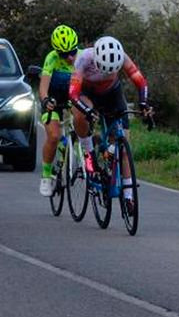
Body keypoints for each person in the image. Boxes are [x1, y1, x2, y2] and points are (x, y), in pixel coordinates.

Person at [69, 35, 153, 212]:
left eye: (111, 71)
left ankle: (129, 198)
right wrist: (87, 111)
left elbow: (140, 80)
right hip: (87, 94)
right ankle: (89, 152)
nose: (106, 73)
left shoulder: (121, 55)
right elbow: (73, 94)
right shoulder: (84, 58)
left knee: (124, 146)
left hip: (112, 95)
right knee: (80, 116)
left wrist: (144, 103)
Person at [38, 25, 80, 196]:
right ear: (57, 52)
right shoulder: (52, 58)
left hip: (73, 99)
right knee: (54, 136)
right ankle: (46, 176)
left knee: (82, 124)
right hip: (54, 101)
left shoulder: (82, 57)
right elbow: (43, 87)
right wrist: (46, 99)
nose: (70, 57)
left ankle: (74, 154)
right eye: (64, 54)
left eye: (73, 51)